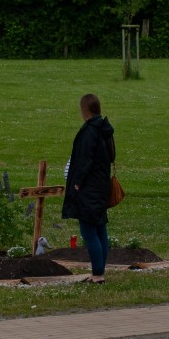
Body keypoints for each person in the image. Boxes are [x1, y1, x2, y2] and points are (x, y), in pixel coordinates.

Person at [61, 93, 116, 284]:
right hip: (102, 184)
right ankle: (99, 271)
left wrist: (77, 182)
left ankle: (98, 274)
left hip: (89, 186)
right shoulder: (105, 129)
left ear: (84, 110)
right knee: (100, 227)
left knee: (88, 230)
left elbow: (85, 159)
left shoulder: (90, 131)